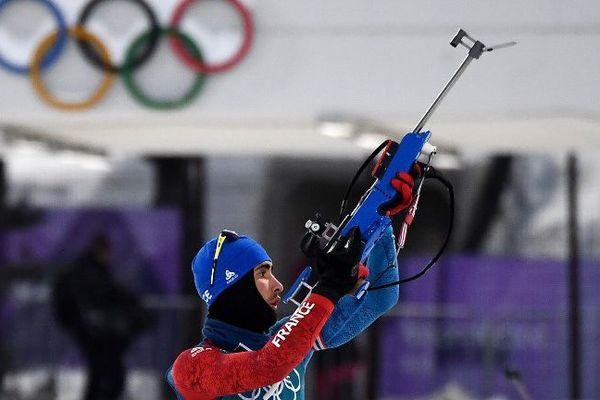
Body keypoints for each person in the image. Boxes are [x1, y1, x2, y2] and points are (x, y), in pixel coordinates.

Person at [166, 171, 417, 399]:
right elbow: (270, 365)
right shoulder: (191, 367)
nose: (278, 285)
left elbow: (380, 298)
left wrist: (380, 217)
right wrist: (329, 286)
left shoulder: (289, 336)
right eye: (262, 274)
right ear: (233, 287)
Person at [52, 233, 150, 400]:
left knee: (103, 375)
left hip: (94, 332)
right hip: (96, 333)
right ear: (102, 250)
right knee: (108, 375)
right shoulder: (89, 272)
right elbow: (102, 297)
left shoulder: (89, 270)